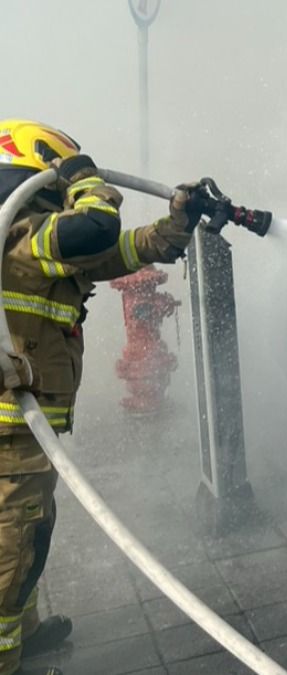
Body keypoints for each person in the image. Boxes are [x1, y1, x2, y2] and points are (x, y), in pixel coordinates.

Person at [0, 119, 204, 675]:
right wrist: (84, 177)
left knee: (27, 533)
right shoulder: (21, 238)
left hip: (26, 427)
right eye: (53, 189)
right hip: (11, 431)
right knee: (12, 549)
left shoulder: (34, 241)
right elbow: (92, 230)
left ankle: (28, 633)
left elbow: (113, 251)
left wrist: (174, 227)